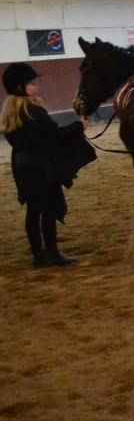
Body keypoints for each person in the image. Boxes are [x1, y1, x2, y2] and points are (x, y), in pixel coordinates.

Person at [3, 62, 95, 267]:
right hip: (40, 166)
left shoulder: (10, 111)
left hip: (22, 164)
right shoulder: (32, 109)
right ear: (20, 87)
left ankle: (38, 255)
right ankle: (52, 253)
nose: (36, 86)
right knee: (48, 209)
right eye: (31, 83)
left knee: (33, 210)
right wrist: (79, 126)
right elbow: (55, 134)